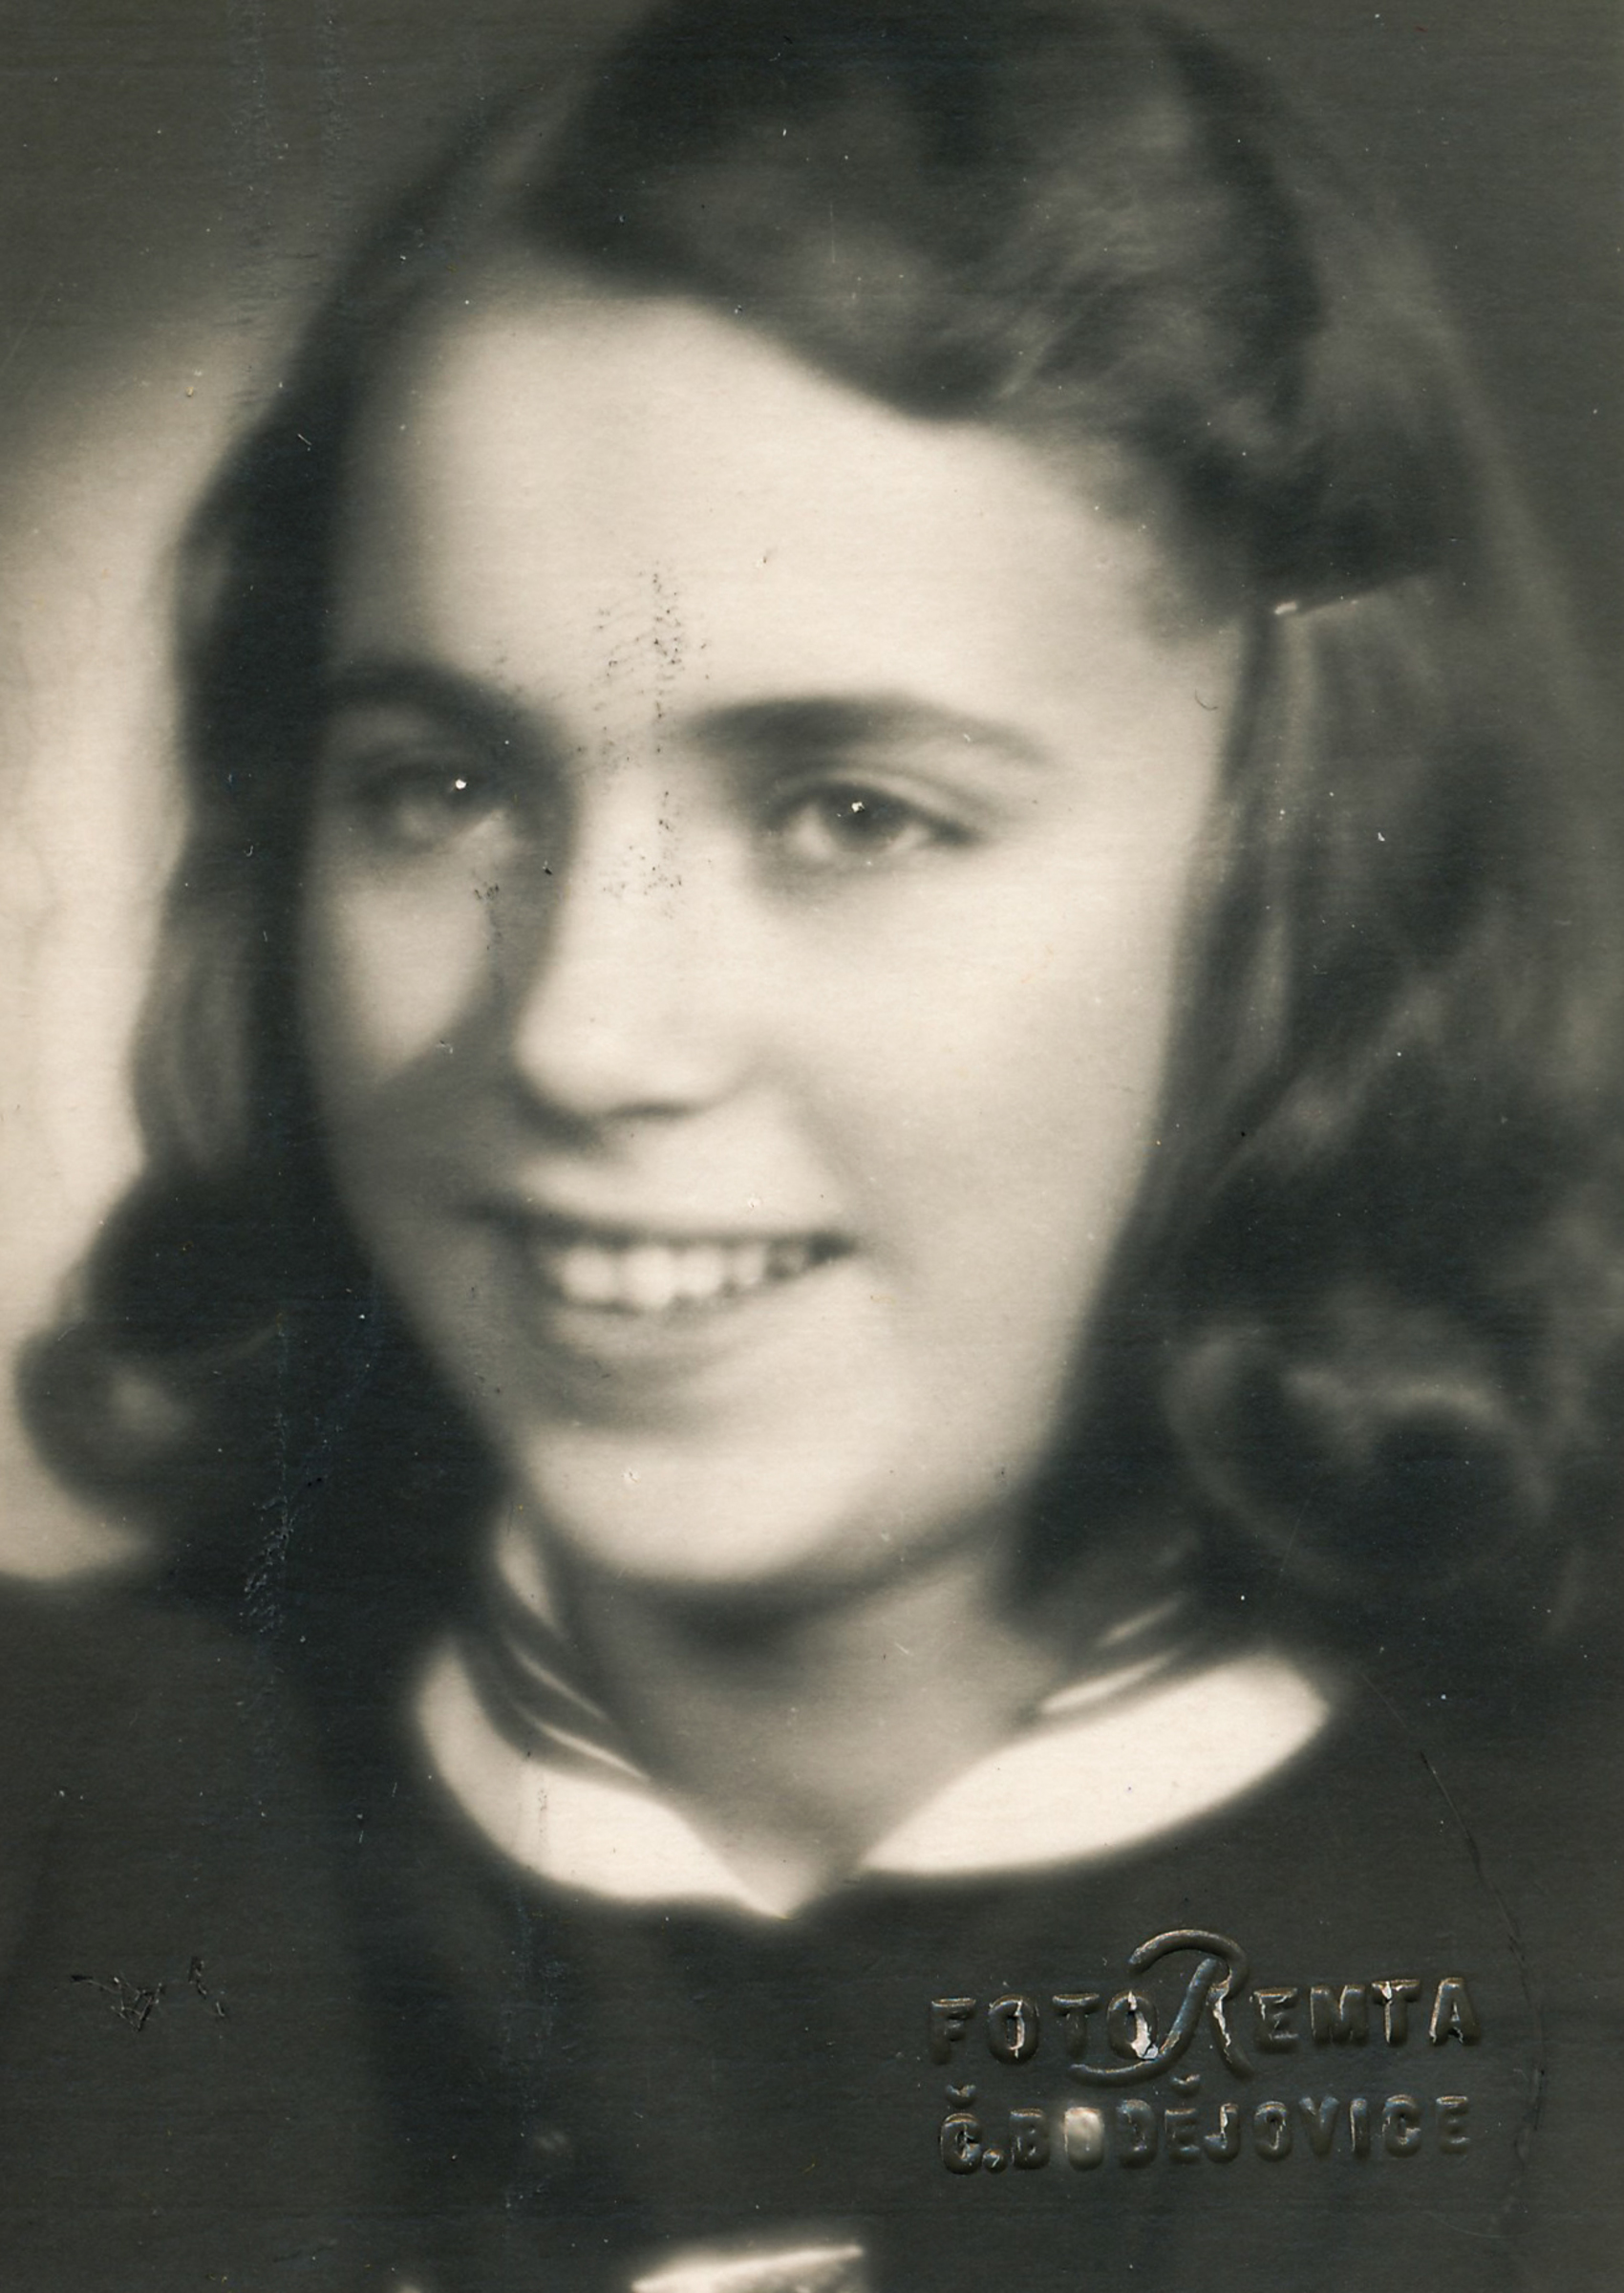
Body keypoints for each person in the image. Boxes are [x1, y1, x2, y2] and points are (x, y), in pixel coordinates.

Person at [3, 1, 1621, 2287]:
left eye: (852, 812)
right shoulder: (73, 1864)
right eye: (439, 788)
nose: (582, 1033)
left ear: (1294, 875)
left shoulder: (1557, 1960)